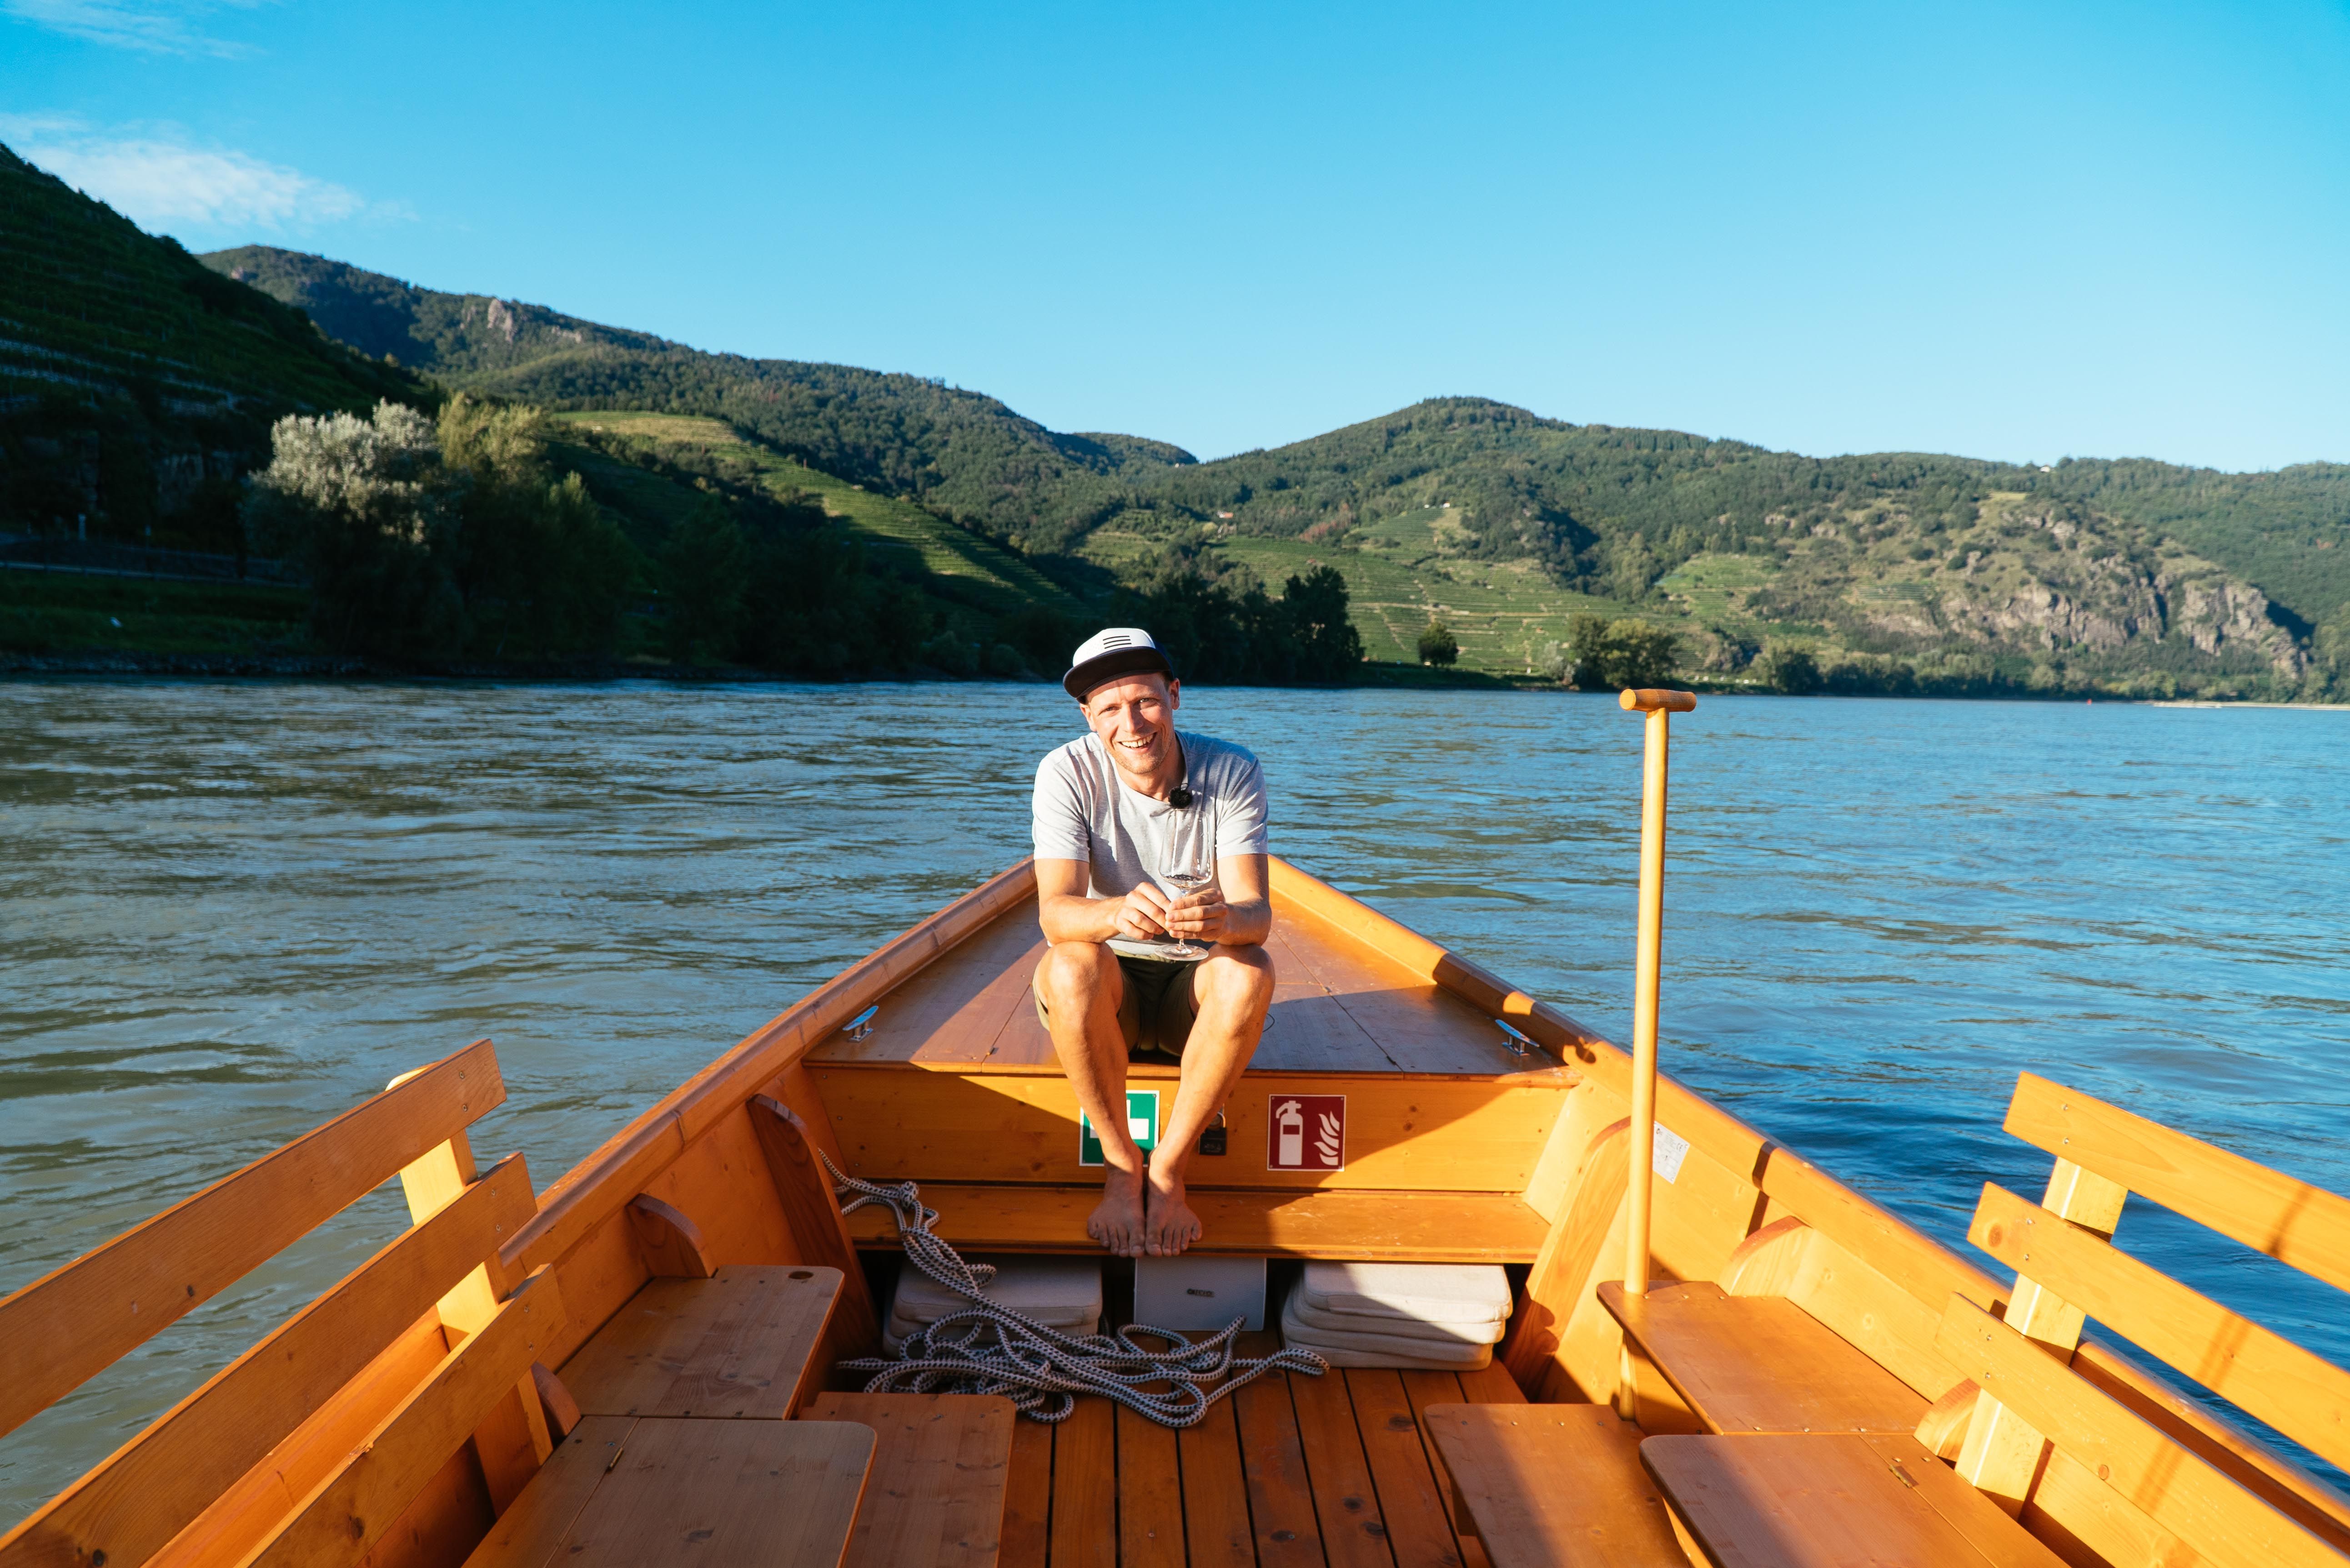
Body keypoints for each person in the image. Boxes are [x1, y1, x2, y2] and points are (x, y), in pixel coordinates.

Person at [1031, 628, 1276, 1258]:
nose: (1131, 724)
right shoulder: (1065, 772)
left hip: (1188, 989)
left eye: (1144, 701)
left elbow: (1256, 917)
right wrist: (1113, 910)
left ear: (1173, 696)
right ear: (1089, 717)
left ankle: (1168, 1169)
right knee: (1068, 967)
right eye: (1110, 709)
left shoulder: (1233, 768)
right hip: (1114, 984)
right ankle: (1121, 1166)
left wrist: (1221, 921)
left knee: (1248, 972)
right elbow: (1055, 915)